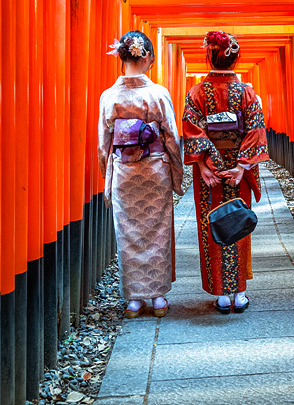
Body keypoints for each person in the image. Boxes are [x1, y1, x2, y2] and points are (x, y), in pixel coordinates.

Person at [97, 31, 184, 318]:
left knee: (129, 233)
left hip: (124, 171)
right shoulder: (158, 94)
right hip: (154, 170)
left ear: (120, 57)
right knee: (157, 231)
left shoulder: (109, 97)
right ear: (147, 57)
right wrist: (177, 174)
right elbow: (171, 137)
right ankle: (158, 298)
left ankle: (134, 300)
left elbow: (104, 144)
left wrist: (107, 176)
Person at [182, 30, 269, 313]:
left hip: (209, 173)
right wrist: (242, 168)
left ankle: (221, 295)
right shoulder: (247, 92)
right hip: (237, 169)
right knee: (238, 223)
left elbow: (192, 130)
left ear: (208, 55)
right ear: (235, 58)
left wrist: (204, 165)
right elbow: (255, 130)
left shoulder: (197, 92)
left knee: (212, 225)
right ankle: (240, 293)